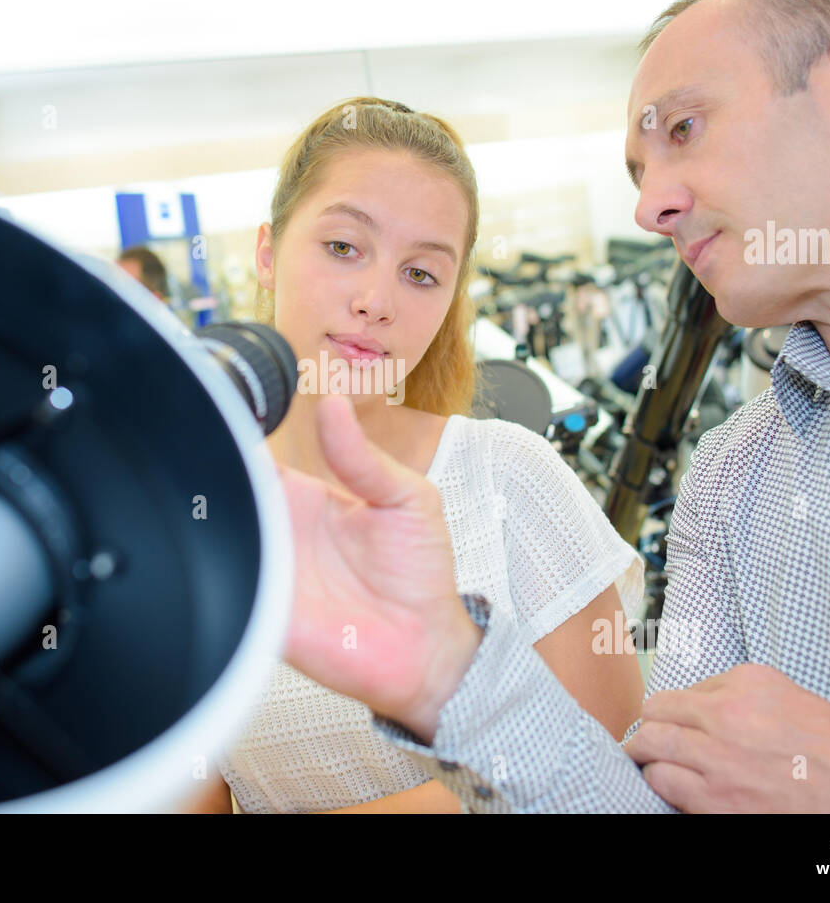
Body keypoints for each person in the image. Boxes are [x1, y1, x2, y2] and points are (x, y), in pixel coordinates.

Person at [276, 0, 830, 812]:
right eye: (636, 171)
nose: (649, 206)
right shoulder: (730, 484)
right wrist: (445, 673)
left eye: (684, 131)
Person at [190, 97, 646, 813]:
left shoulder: (509, 477)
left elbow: (611, 765)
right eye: (344, 247)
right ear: (268, 252)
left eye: (421, 273)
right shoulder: (191, 515)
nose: (376, 301)